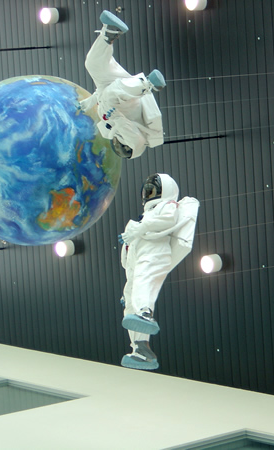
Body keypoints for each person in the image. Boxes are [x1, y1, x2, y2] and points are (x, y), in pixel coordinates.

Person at [118, 174, 200, 370]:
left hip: (154, 252)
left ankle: (145, 313)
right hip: (137, 259)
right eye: (148, 191)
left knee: (144, 282)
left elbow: (167, 220)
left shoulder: (167, 205)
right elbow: (127, 258)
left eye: (153, 190)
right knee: (130, 302)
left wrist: (139, 229)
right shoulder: (145, 217)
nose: (149, 194)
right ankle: (140, 349)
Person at [80, 10, 166, 159]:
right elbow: (131, 134)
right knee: (110, 95)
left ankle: (109, 33)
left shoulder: (108, 128)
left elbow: (101, 95)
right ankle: (148, 84)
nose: (118, 146)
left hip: (112, 90)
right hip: (128, 103)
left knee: (92, 65)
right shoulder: (137, 142)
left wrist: (90, 101)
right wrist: (117, 118)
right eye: (123, 149)